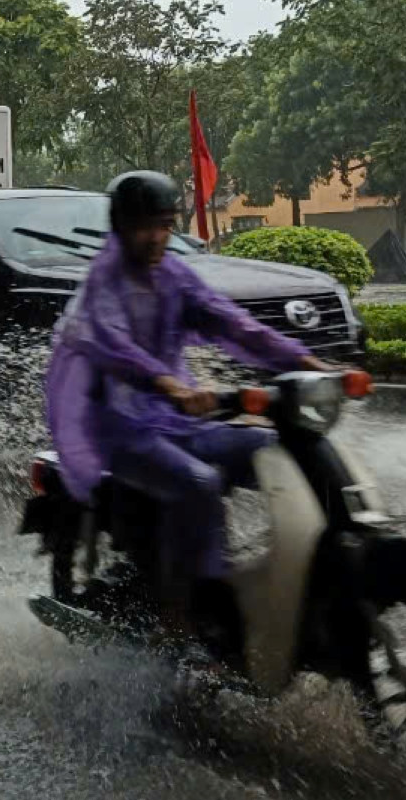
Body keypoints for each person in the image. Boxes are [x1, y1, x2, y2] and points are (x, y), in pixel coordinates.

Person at [44, 170, 336, 638]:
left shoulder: (173, 273)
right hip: (115, 428)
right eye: (145, 226)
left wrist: (304, 361)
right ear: (119, 226)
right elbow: (112, 344)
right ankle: (187, 616)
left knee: (280, 450)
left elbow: (234, 324)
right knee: (199, 484)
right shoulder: (103, 283)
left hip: (172, 419)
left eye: (165, 224)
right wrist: (170, 385)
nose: (157, 237)